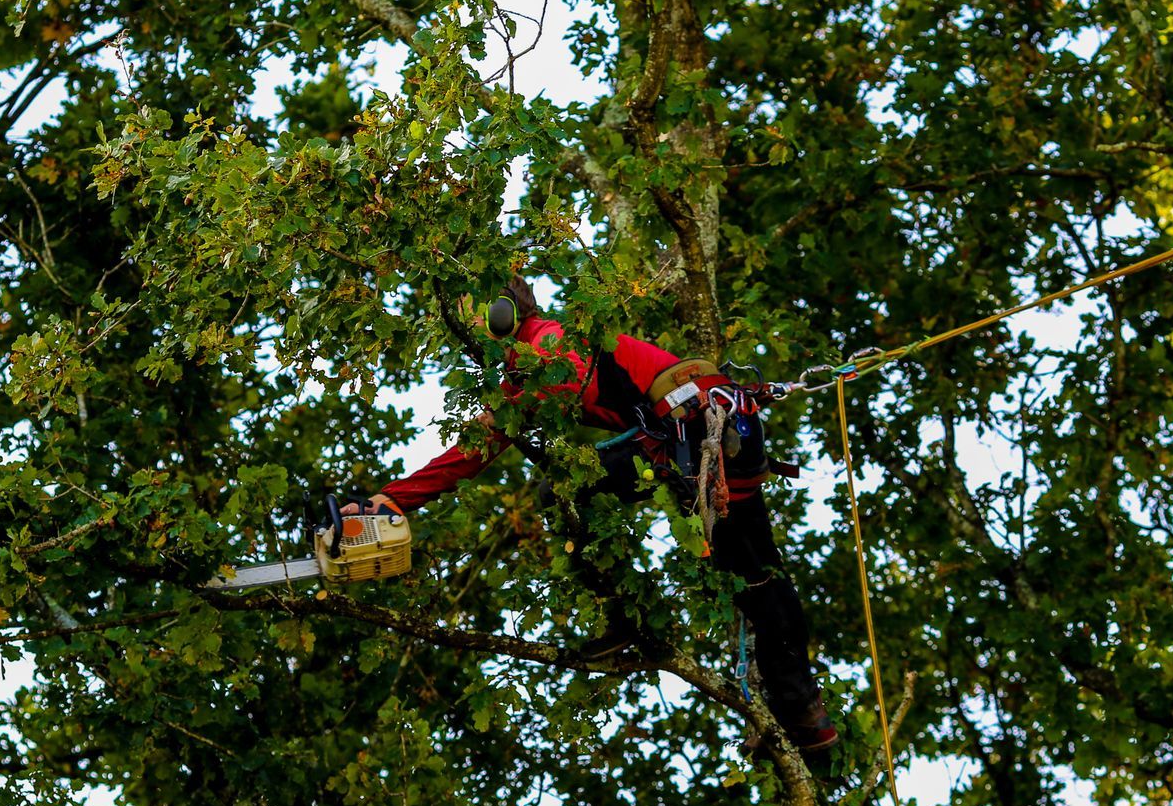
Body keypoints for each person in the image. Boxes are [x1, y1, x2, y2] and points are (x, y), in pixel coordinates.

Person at [346, 279, 840, 761]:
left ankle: (626, 616)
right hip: (720, 438)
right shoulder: (545, 353)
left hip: (692, 439)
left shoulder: (546, 348)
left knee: (564, 489)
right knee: (757, 576)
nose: (471, 327)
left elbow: (477, 447)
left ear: (502, 313)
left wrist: (391, 500)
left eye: (474, 313)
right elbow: (482, 440)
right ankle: (804, 714)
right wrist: (389, 501)